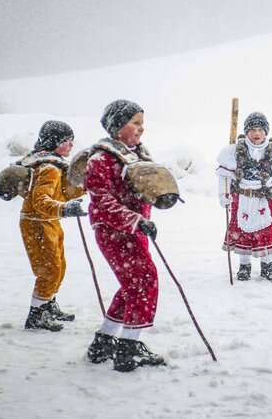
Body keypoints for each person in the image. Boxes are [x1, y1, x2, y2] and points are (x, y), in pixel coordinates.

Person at [83, 99, 165, 372]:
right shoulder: (101, 159)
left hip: (134, 230)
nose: (142, 129)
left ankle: (104, 342)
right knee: (145, 281)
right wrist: (134, 221)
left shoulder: (137, 155)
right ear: (118, 126)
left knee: (132, 285)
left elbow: (145, 188)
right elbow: (101, 202)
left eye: (142, 123)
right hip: (114, 232)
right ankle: (128, 348)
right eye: (135, 123)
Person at [20, 120, 87, 332]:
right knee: (49, 270)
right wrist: (64, 209)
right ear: (55, 142)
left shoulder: (55, 164)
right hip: (37, 223)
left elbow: (63, 193)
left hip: (50, 222)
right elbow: (40, 201)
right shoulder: (48, 168)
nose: (71, 145)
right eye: (67, 141)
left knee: (59, 266)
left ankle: (47, 304)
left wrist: (79, 191)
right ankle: (36, 315)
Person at [216, 112, 272, 282]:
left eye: (260, 129)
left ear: (266, 132)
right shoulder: (234, 152)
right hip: (241, 198)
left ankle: (267, 266)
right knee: (241, 233)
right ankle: (244, 266)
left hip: (264, 198)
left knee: (265, 233)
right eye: (253, 129)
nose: (257, 133)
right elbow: (225, 175)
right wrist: (223, 194)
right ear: (246, 131)